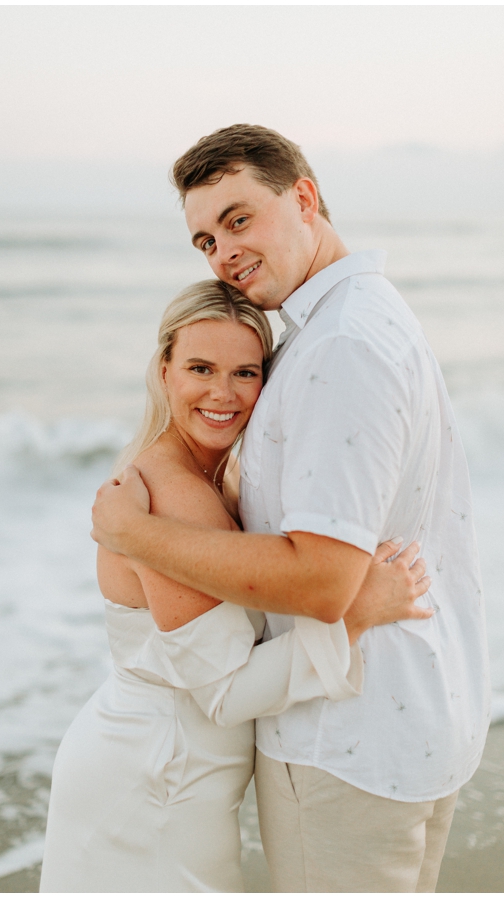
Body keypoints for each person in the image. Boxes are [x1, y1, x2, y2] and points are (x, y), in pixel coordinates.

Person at [90, 124, 490, 892]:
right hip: (410, 714)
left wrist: (135, 533)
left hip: (347, 741)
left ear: (304, 198)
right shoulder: (357, 322)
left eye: (239, 219)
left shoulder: (340, 346)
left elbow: (321, 582)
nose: (223, 251)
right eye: (204, 240)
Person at [41, 282, 430, 891]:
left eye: (245, 372)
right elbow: (223, 693)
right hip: (156, 779)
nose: (222, 393)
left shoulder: (217, 479)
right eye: (200, 368)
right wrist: (354, 615)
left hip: (173, 766)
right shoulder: (174, 496)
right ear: (164, 369)